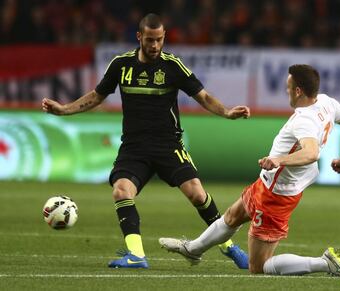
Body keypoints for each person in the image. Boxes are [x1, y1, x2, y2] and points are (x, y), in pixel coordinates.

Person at [42, 13, 250, 269]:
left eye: (159, 40)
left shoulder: (173, 66)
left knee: (197, 193)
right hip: (134, 147)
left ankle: (229, 247)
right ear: (139, 37)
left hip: (168, 144)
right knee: (121, 190)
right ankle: (136, 255)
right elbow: (97, 95)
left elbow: (203, 96)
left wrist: (227, 112)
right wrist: (64, 110)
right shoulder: (121, 65)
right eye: (150, 40)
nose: (155, 46)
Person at [159, 64, 340, 278]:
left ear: (298, 91)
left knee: (259, 267)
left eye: (288, 87)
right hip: (268, 184)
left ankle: (325, 264)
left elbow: (311, 153)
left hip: (276, 194)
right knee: (233, 216)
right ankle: (193, 250)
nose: (286, 90)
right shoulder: (327, 103)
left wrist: (278, 160)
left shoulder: (304, 120)